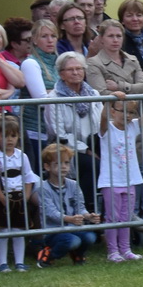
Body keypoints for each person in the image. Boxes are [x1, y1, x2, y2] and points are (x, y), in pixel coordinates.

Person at [0, 115, 37, 272]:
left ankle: (19, 262)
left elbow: (28, 177)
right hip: (2, 198)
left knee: (18, 230)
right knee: (3, 231)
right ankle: (3, 263)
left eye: (13, 136)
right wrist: (1, 197)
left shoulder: (22, 156)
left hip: (19, 197)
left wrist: (26, 195)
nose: (9, 140)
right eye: (5, 136)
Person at [35, 144, 99, 266]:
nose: (64, 167)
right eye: (58, 163)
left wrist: (88, 216)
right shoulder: (43, 188)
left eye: (67, 163)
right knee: (73, 241)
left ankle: (78, 254)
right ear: (47, 166)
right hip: (53, 231)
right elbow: (50, 212)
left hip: (72, 228)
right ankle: (48, 254)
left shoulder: (74, 185)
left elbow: (80, 206)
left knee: (90, 237)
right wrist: (69, 218)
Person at [97, 98, 143, 262]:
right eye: (123, 111)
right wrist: (110, 98)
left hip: (130, 180)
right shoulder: (106, 129)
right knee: (113, 217)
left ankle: (126, 249)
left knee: (126, 216)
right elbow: (103, 118)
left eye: (131, 112)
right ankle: (113, 251)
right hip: (110, 181)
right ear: (113, 111)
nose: (128, 116)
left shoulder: (133, 127)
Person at [46, 52, 101, 193]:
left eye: (79, 68)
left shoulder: (94, 94)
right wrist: (86, 150)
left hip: (95, 145)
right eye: (70, 70)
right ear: (61, 74)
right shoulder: (53, 98)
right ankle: (87, 208)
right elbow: (59, 134)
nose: (76, 72)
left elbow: (102, 123)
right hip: (67, 150)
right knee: (92, 165)